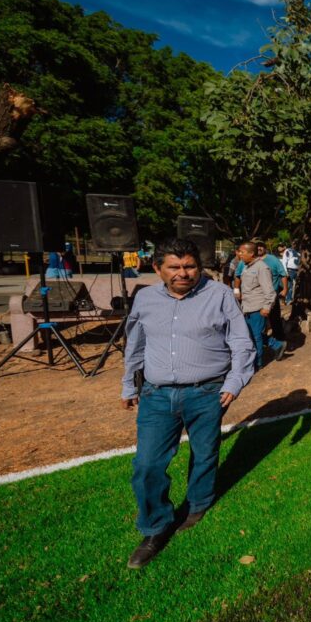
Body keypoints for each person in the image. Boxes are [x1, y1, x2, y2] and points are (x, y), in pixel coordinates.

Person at [120, 238, 255, 569]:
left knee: (205, 451)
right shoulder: (146, 298)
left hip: (208, 392)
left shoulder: (219, 294)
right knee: (147, 465)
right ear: (157, 269)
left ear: (200, 266)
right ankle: (155, 527)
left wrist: (235, 381)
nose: (183, 273)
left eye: (190, 266)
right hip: (156, 393)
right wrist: (128, 383)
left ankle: (198, 502)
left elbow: (241, 341)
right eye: (174, 267)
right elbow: (134, 342)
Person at [238, 241, 284, 369]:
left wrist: (267, 307)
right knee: (251, 334)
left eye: (242, 252)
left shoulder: (262, 268)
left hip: (257, 308)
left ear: (251, 253)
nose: (240, 254)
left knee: (255, 337)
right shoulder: (246, 267)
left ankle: (257, 364)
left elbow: (270, 291)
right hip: (247, 307)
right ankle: (276, 345)